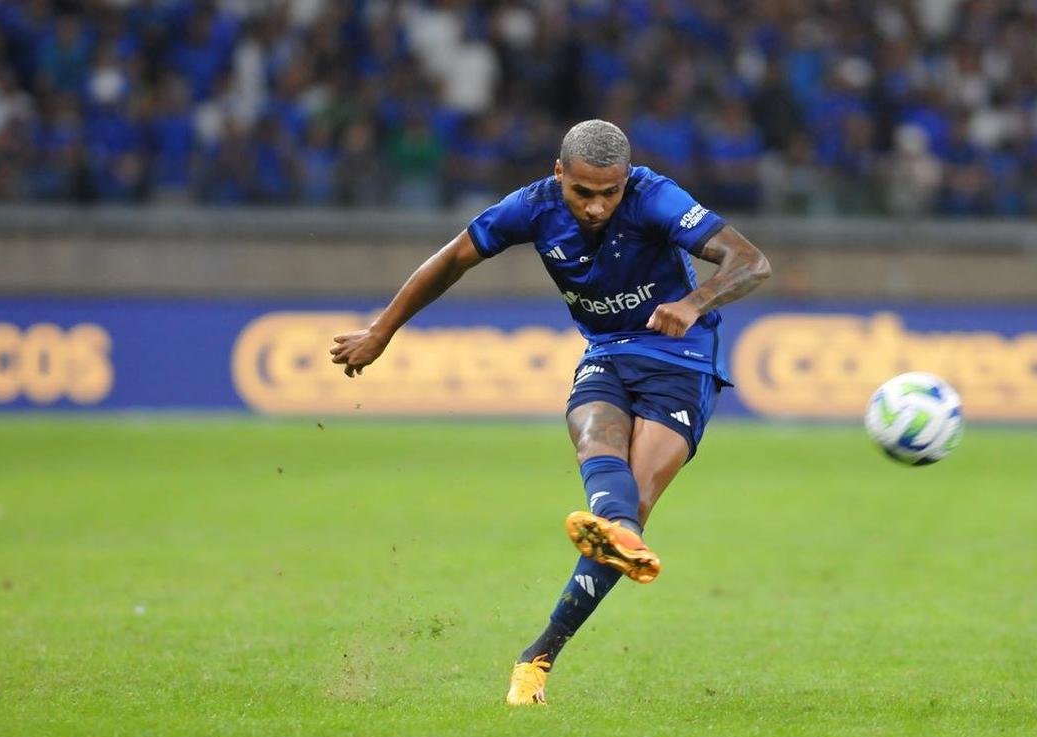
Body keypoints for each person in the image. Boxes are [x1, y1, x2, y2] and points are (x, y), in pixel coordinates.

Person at [330, 119, 770, 704]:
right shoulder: (532, 207)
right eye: (583, 192)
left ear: (626, 179)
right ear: (559, 173)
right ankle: (606, 540)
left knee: (631, 506)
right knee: (595, 441)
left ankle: (539, 654)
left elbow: (751, 261)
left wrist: (694, 301)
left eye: (609, 193)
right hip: (609, 352)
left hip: (681, 360)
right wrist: (383, 331)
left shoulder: (655, 197)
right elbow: (454, 257)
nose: (596, 207)